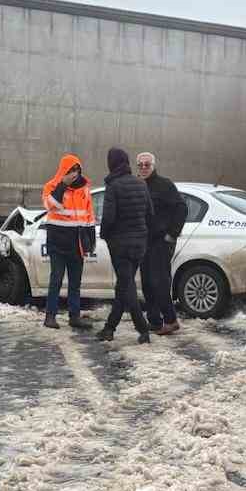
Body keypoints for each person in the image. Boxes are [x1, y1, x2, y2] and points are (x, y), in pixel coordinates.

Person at [96, 147, 152, 344]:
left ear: (112, 163)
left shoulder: (114, 186)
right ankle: (109, 328)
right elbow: (149, 214)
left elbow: (109, 217)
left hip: (120, 245)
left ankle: (143, 329)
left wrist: (104, 235)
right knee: (124, 285)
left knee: (127, 286)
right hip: (139, 244)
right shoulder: (141, 184)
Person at [40, 154, 96, 330]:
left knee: (75, 283)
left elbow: (89, 215)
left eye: (77, 170)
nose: (74, 174)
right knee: (56, 279)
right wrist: (63, 184)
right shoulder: (51, 186)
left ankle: (74, 316)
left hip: (77, 242)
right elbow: (51, 205)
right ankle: (50, 316)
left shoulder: (84, 189)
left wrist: (91, 240)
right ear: (63, 170)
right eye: (71, 170)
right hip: (58, 241)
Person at [135, 151, 184, 335]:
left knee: (160, 281)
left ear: (154, 165)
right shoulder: (138, 185)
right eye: (140, 165)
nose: (144, 168)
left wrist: (172, 233)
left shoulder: (164, 185)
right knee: (147, 282)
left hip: (161, 242)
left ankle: (171, 320)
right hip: (144, 241)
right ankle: (155, 321)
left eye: (147, 164)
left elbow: (181, 208)